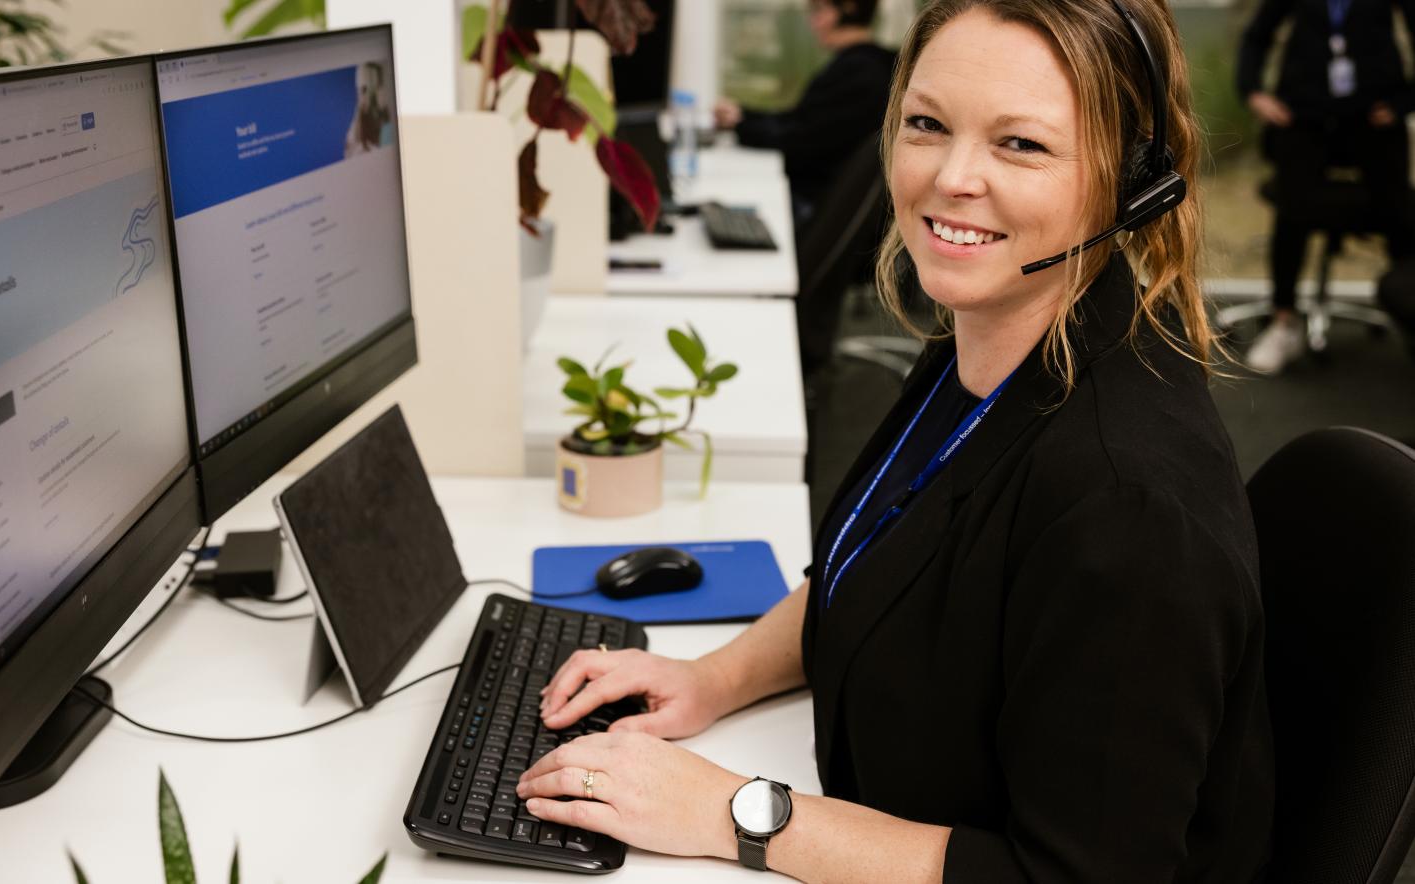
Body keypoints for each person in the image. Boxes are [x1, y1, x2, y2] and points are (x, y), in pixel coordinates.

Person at [512, 1, 1274, 880]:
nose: (951, 176)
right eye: (926, 124)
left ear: (1131, 179)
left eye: (1019, 144)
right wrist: (713, 678)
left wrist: (730, 811)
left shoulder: (1127, 508)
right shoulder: (990, 341)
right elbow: (881, 558)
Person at [1236, 0, 1415, 374]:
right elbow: (1257, 36)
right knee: (1292, 205)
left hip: (1375, 117)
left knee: (1399, 208)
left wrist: (1404, 102)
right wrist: (1254, 91)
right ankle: (1283, 319)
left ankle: (1409, 311)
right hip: (1304, 114)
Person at [713, 0, 897, 229]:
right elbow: (802, 120)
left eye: (819, 11)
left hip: (814, 206)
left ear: (849, 7)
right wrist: (743, 116)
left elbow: (801, 140)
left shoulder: (860, 73)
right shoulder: (868, 65)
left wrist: (741, 124)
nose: (813, 22)